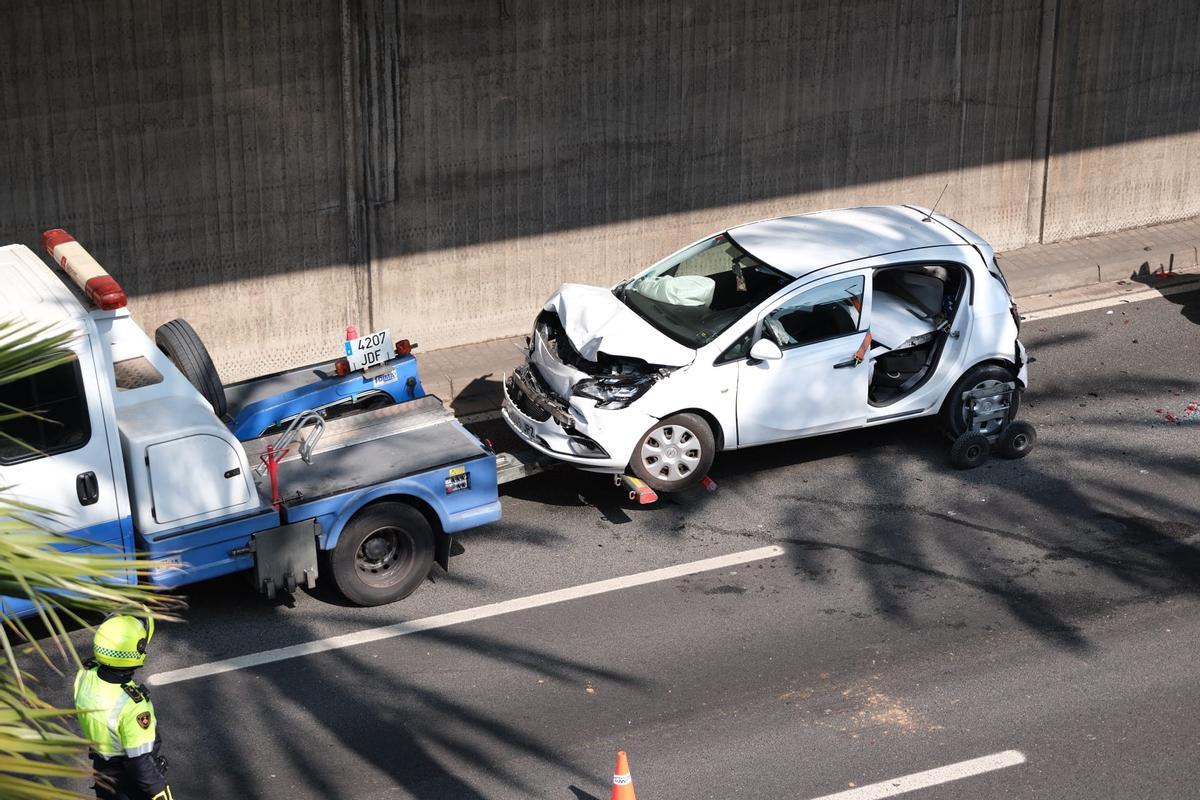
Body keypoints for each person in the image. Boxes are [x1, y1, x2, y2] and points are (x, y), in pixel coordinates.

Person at [73, 614, 176, 800]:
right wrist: (161, 792)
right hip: (127, 783)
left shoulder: (85, 675)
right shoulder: (133, 706)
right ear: (136, 651)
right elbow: (139, 763)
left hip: (102, 771)